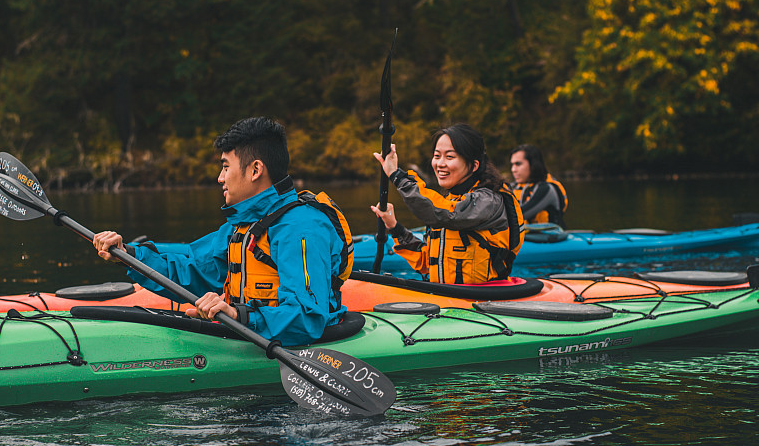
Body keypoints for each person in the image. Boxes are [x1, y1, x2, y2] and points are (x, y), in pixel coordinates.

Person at [92, 117, 353, 346]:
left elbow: (307, 319)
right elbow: (192, 269)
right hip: (249, 335)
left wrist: (238, 315)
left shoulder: (300, 227)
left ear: (255, 170)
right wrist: (129, 255)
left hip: (294, 344)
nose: (220, 177)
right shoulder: (243, 225)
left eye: (226, 166)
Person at [371, 123, 524, 284]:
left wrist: (397, 176)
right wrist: (394, 227)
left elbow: (446, 214)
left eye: (449, 157)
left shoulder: (488, 200)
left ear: (474, 165)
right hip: (447, 298)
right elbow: (426, 262)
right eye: (437, 156)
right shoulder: (450, 200)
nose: (440, 164)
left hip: (483, 298)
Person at [509, 144, 568, 228]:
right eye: (512, 165)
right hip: (526, 236)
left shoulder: (546, 189)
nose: (513, 170)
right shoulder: (514, 186)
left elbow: (519, 215)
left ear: (533, 164)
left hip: (550, 238)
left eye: (518, 164)